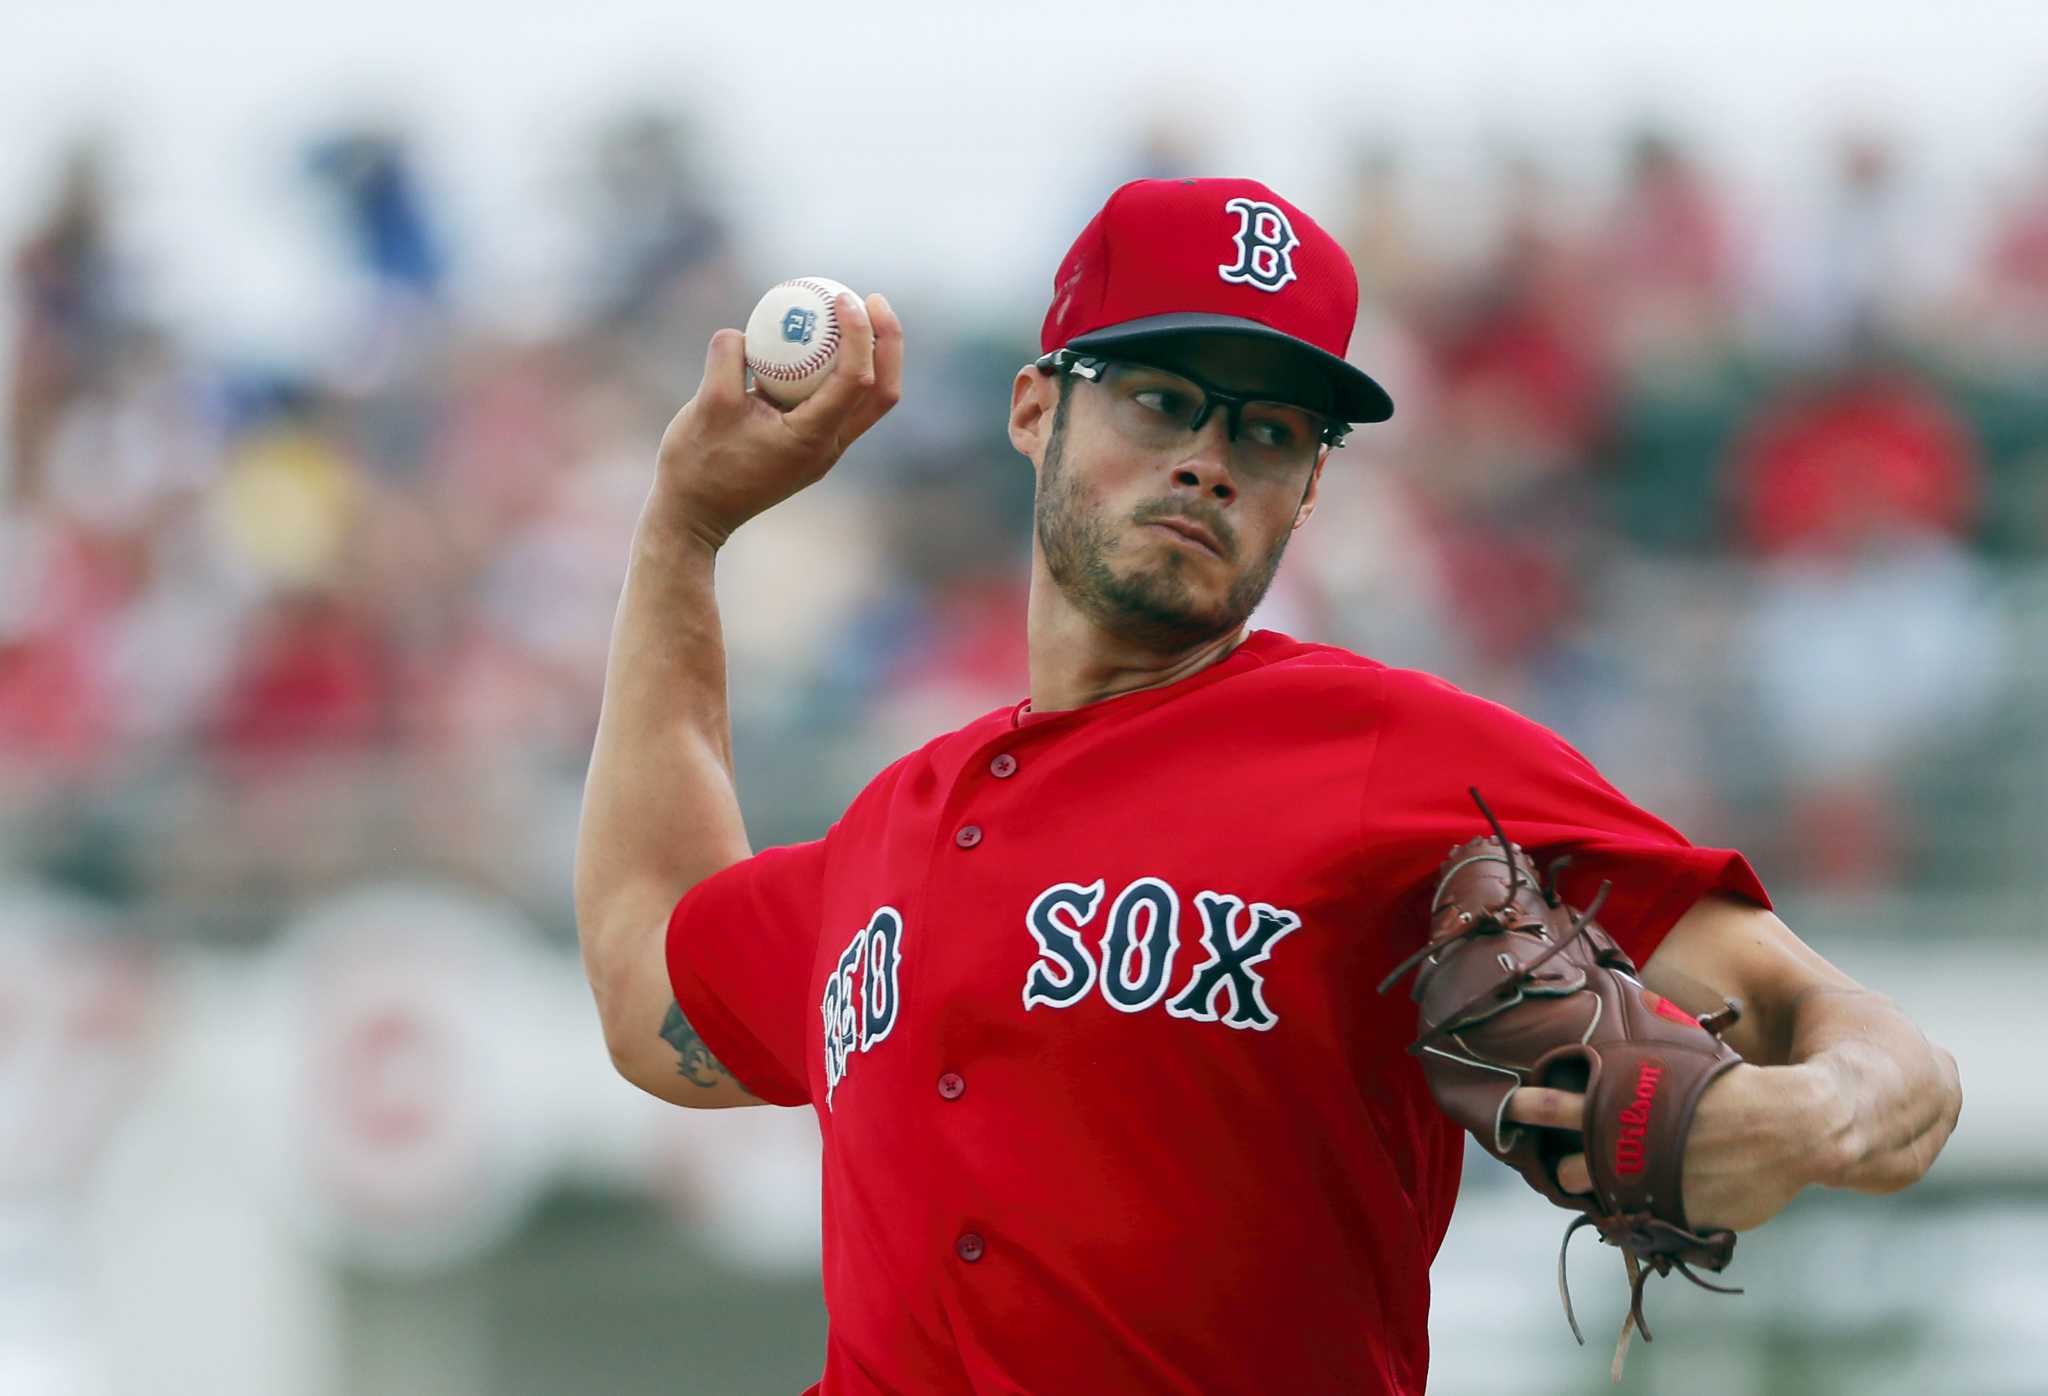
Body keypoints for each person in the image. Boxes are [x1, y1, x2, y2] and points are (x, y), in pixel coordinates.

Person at [574, 178, 1961, 1396]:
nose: (1210, 461)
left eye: (1273, 433)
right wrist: (685, 530)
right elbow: (650, 990)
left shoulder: (1392, 756)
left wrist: (1800, 1115)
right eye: (1165, 399)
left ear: (1307, 494)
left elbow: (1873, 1050)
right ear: (1035, 405)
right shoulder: (887, 835)